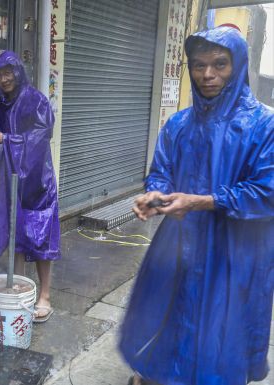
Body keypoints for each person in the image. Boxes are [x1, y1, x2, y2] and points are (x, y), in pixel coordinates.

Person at [119, 26, 273, 385]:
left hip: (237, 250)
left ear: (238, 65)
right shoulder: (177, 126)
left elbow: (267, 191)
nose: (208, 75)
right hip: (181, 245)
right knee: (170, 314)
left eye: (220, 64)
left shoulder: (264, 125)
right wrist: (155, 196)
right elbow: (160, 173)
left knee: (223, 327)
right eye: (199, 65)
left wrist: (203, 201)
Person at [0, 50, 61, 323]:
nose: (4, 79)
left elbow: (39, 138)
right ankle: (21, 291)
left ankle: (44, 295)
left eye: (7, 73)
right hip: (9, 185)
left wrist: (6, 140)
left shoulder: (36, 100)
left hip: (37, 184)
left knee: (42, 240)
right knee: (16, 240)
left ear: (18, 72)